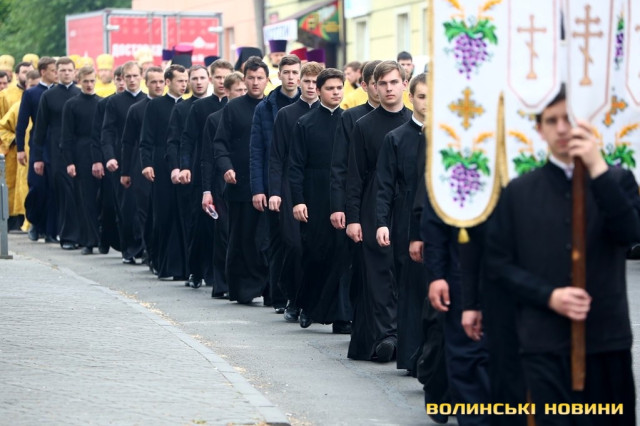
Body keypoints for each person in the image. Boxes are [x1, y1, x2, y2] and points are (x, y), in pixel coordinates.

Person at [486, 87, 640, 426]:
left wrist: (597, 168)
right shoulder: (519, 192)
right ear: (539, 129)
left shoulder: (617, 180)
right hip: (544, 342)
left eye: (568, 119)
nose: (562, 128)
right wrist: (549, 296)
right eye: (552, 120)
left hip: (605, 340)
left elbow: (630, 234)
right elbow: (498, 264)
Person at [346, 60, 412, 363]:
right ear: (373, 86)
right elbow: (354, 176)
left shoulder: (414, 122)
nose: (388, 88)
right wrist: (354, 218)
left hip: (408, 204)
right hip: (373, 204)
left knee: (405, 272)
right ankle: (386, 337)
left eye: (394, 82)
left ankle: (403, 338)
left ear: (404, 85)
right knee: (378, 274)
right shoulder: (363, 125)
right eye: (382, 83)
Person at [288, 67, 352, 333]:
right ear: (319, 90)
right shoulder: (305, 123)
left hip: (343, 195)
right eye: (330, 88)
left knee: (342, 254)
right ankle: (307, 305)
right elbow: (295, 166)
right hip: (314, 194)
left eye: (339, 88)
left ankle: (341, 316)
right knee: (315, 253)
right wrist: (298, 200)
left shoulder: (351, 120)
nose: (336, 93)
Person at [376, 72, 429, 374]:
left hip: (437, 218)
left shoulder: (447, 140)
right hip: (405, 217)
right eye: (422, 96)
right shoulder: (395, 138)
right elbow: (384, 185)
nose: (428, 102)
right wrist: (382, 222)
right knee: (409, 288)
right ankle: (411, 356)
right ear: (411, 98)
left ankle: (433, 356)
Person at [268, 61, 322, 322]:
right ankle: (291, 295)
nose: (310, 86)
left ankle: (309, 300)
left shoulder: (330, 113)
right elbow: (276, 155)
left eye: (315, 82)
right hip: (290, 185)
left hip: (318, 186)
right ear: (299, 82)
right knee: (293, 244)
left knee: (316, 246)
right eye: (307, 81)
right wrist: (275, 191)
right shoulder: (286, 114)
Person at [213, 56, 269, 304]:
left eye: (260, 78)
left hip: (268, 184)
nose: (255, 82)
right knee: (242, 239)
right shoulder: (233, 108)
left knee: (265, 240)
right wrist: (226, 167)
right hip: (240, 183)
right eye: (251, 78)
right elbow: (220, 143)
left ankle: (269, 289)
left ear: (267, 80)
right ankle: (242, 289)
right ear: (244, 80)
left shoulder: (272, 106)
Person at [250, 54, 302, 312]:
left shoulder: (310, 103)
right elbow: (257, 151)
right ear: (278, 75)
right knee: (278, 241)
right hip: (275, 181)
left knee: (299, 242)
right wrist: (259, 189)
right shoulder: (265, 107)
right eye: (286, 72)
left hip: (301, 179)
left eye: (295, 72)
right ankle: (278, 296)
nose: (291, 77)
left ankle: (298, 295)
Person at [179, 59, 233, 290]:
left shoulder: (234, 106)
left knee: (224, 228)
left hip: (227, 172)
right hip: (203, 171)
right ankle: (195, 270)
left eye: (225, 77)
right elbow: (187, 140)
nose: (221, 81)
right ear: (212, 79)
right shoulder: (199, 108)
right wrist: (184, 166)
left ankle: (218, 274)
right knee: (200, 225)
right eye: (217, 77)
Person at [139, 64, 188, 280]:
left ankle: (183, 266)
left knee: (182, 215)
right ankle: (160, 262)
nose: (184, 85)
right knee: (163, 214)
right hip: (160, 164)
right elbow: (146, 139)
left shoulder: (189, 106)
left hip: (183, 163)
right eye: (179, 81)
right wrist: (146, 163)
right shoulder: (155, 105)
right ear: (168, 82)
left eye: (185, 81)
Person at [201, 71, 246, 298]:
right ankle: (222, 283)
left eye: (244, 90)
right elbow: (208, 158)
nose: (242, 94)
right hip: (221, 182)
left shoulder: (255, 113)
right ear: (227, 92)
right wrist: (206, 190)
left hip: (245, 180)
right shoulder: (214, 119)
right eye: (238, 90)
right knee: (224, 233)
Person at [31, 57, 81, 250]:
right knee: (64, 193)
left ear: (74, 72)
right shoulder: (48, 96)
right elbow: (40, 129)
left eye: (69, 70)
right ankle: (67, 236)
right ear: (56, 72)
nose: (66, 73)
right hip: (56, 150)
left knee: (80, 193)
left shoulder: (79, 93)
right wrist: (37, 157)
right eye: (62, 70)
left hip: (79, 150)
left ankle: (82, 236)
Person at [119, 66, 165, 269]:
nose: (158, 85)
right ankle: (147, 250)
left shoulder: (175, 107)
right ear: (146, 83)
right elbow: (128, 142)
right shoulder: (136, 109)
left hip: (166, 164)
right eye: (153, 82)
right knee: (144, 211)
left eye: (161, 81)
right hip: (141, 164)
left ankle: (160, 252)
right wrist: (125, 171)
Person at [101, 61, 145, 263]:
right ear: (122, 79)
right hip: (122, 159)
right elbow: (107, 132)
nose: (132, 80)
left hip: (144, 158)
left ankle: (145, 247)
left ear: (141, 76)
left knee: (145, 206)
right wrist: (109, 156)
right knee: (126, 207)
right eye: (128, 77)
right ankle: (129, 249)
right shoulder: (114, 102)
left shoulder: (148, 101)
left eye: (135, 76)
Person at [60, 66, 101, 254]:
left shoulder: (102, 103)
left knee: (104, 199)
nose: (89, 85)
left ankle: (102, 238)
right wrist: (69, 162)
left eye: (92, 81)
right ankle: (89, 240)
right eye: (86, 81)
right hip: (81, 154)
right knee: (86, 199)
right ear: (79, 81)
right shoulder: (71, 105)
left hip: (100, 152)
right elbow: (66, 136)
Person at [16, 57, 57, 242]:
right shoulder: (31, 94)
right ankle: (34, 221)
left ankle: (50, 231)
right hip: (38, 144)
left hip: (57, 145)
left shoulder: (59, 92)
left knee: (53, 189)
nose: (56, 73)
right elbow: (22, 123)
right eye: (53, 70)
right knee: (37, 186)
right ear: (43, 72)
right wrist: (20, 149)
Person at [0, 70, 40, 236]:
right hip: (23, 157)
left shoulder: (50, 103)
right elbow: (2, 127)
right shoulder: (17, 107)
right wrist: (16, 141)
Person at [90, 65, 125, 255]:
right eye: (119, 79)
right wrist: (99, 160)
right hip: (109, 157)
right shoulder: (105, 104)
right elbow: (98, 134)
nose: (122, 83)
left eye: (125, 78)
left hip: (129, 157)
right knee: (108, 202)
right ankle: (104, 238)